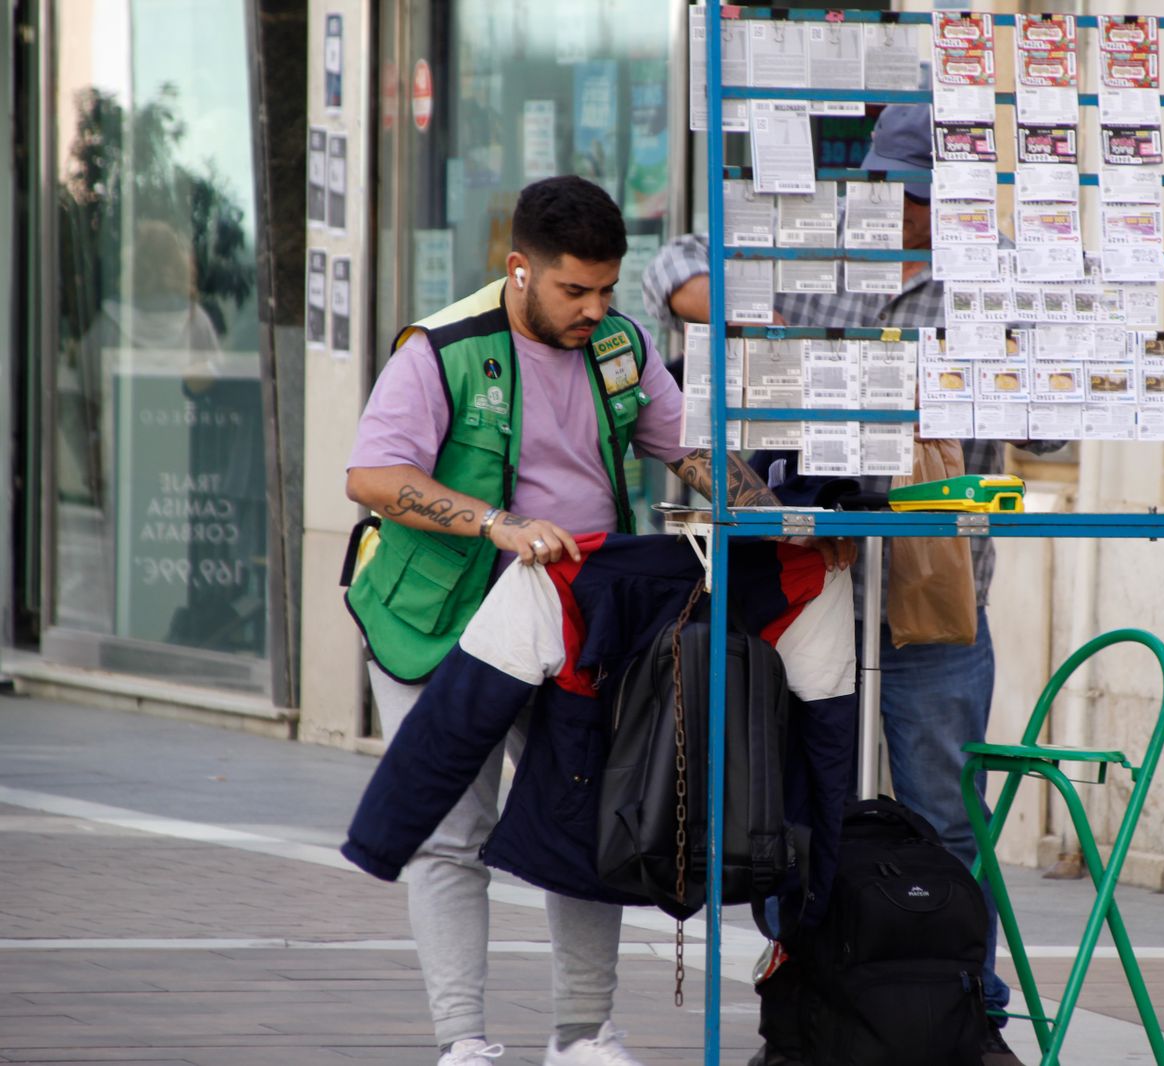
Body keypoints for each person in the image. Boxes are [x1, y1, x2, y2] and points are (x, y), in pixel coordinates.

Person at [343, 175, 855, 1066]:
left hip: (578, 620)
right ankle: (463, 1040)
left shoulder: (617, 344)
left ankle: (582, 1036)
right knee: (450, 836)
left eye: (607, 289)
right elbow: (374, 477)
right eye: (574, 290)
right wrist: (499, 525)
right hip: (437, 621)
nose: (595, 309)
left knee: (591, 816)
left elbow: (686, 447)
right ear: (520, 270)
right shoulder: (444, 348)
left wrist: (778, 524)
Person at [644, 105, 1054, 1066]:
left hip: (937, 598)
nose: (902, 207)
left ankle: (967, 1010)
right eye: (891, 187)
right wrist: (754, 321)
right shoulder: (824, 242)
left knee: (946, 816)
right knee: (801, 809)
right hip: (813, 587)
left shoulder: (988, 277)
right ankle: (810, 1001)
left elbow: (1050, 435)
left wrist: (1002, 365)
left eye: (918, 192)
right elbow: (675, 268)